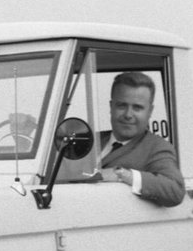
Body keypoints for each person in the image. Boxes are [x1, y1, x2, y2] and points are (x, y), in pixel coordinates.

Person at [79, 71, 186, 207]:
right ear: (111, 106)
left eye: (137, 108)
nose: (128, 115)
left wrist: (122, 175)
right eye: (122, 105)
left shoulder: (156, 148)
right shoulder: (90, 141)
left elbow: (175, 190)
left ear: (150, 111)